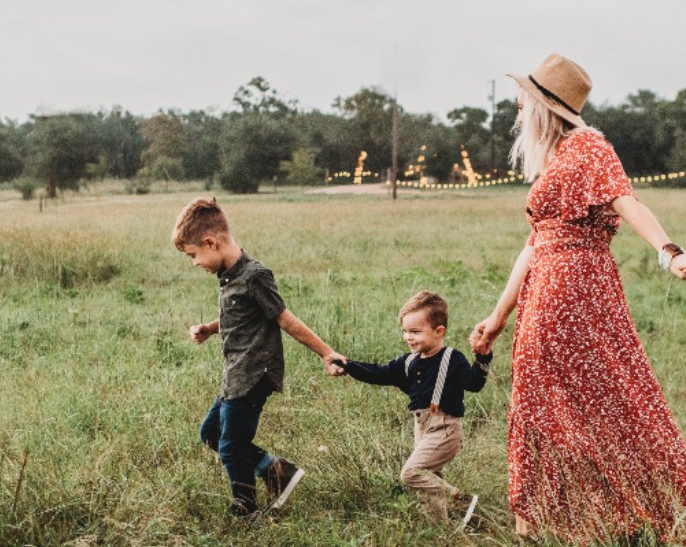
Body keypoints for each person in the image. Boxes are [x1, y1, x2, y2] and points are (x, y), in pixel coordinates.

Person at [470, 53, 686, 547]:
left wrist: (670, 253)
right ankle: (552, 522)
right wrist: (497, 316)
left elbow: (628, 201)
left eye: (523, 98)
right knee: (546, 405)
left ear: (543, 106)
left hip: (575, 290)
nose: (515, 106)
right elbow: (534, 245)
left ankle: (642, 517)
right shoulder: (555, 157)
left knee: (614, 402)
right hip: (548, 290)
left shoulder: (588, 146)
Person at [172, 197, 342, 519]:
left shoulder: (254, 276)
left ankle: (246, 508)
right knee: (210, 433)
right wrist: (210, 328)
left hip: (253, 374)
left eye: (194, 255)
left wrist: (327, 353)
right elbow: (241, 317)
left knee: (231, 445)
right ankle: (276, 471)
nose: (194, 263)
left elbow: (284, 319)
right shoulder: (229, 277)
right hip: (235, 374)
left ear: (211, 242)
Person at [331, 291, 490, 526]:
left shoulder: (451, 358)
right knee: (429, 481)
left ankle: (461, 500)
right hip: (422, 427)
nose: (408, 337)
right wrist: (348, 366)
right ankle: (440, 531)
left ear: (439, 331)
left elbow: (474, 384)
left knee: (411, 473)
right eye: (405, 331)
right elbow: (378, 373)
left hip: (445, 428)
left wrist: (482, 359)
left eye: (415, 332)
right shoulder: (408, 362)